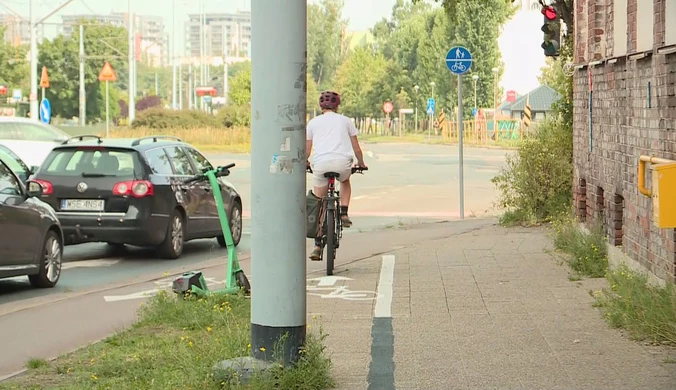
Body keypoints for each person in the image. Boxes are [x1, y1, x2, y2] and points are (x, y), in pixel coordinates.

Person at [306, 90, 367, 261]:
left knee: (319, 202)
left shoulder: (313, 123)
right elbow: (356, 148)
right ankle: (344, 212)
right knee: (345, 181)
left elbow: (307, 149)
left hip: (320, 164)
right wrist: (361, 163)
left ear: (321, 106)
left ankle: (318, 245)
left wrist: (305, 162)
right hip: (342, 164)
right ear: (337, 105)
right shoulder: (346, 121)